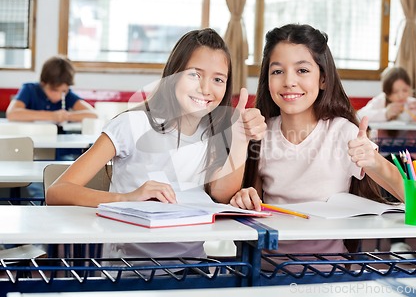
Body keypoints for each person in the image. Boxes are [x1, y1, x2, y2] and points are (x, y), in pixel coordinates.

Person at [46, 28, 266, 261]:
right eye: (194, 74)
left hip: (192, 267)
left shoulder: (213, 134)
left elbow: (222, 196)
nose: (206, 88)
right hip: (126, 269)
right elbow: (57, 192)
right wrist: (128, 198)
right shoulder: (132, 124)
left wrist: (241, 138)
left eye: (218, 79)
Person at [229, 24, 404, 262]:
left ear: (323, 79)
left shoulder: (342, 131)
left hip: (328, 271)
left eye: (302, 70)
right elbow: (252, 203)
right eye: (277, 71)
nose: (289, 81)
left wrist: (374, 162)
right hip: (268, 270)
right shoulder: (261, 131)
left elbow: (410, 196)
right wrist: (244, 197)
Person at [357, 66, 416, 257]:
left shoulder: (415, 104)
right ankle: (398, 243)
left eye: (405, 90)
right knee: (395, 176)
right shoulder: (380, 102)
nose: (400, 96)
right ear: (387, 92)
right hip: (388, 164)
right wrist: (385, 112)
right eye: (395, 92)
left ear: (411, 90)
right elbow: (359, 116)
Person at [6, 55, 98, 123]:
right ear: (43, 83)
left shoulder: (68, 96)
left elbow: (93, 115)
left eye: (63, 91)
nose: (58, 96)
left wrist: (67, 116)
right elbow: (12, 113)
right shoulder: (29, 89)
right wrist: (52, 116)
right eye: (54, 90)